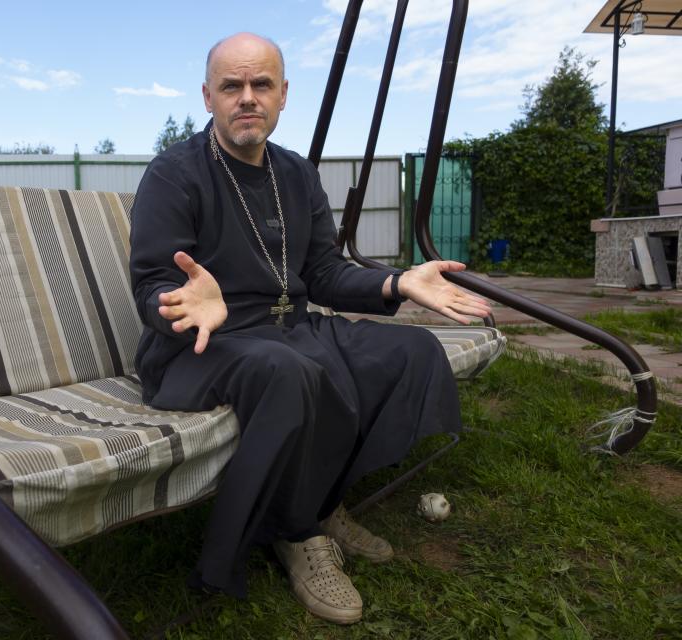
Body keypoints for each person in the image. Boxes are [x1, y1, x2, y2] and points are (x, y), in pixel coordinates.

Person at [129, 32, 491, 625]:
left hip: (289, 328)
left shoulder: (294, 173)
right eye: (232, 86)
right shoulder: (174, 174)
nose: (247, 98)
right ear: (208, 96)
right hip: (199, 349)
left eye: (260, 84)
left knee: (406, 348)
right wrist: (182, 300)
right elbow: (151, 286)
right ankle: (295, 532)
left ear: (282, 94)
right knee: (292, 372)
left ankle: (323, 500)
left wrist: (398, 283)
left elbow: (323, 272)